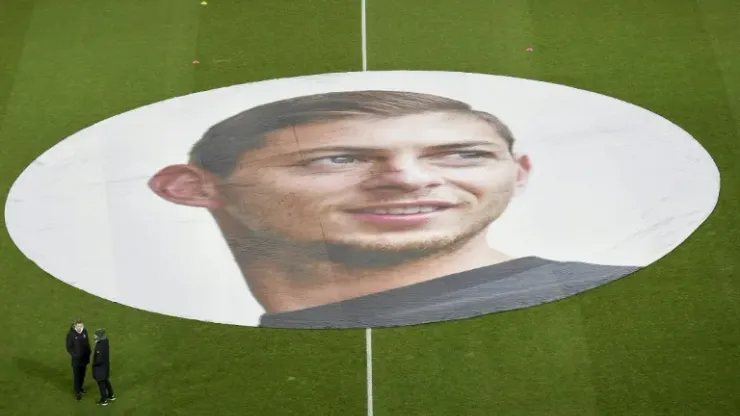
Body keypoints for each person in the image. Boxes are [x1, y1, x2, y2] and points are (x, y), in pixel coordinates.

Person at [148, 90, 639, 328]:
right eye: (338, 159)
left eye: (463, 155)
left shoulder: (611, 306)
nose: (410, 179)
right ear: (190, 188)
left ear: (519, 173)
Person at [65, 319, 91, 400]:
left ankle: (80, 388)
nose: (80, 327)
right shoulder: (71, 334)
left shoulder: (84, 332)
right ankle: (77, 392)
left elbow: (87, 343)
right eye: (78, 326)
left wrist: (89, 352)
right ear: (75, 326)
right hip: (76, 360)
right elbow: (69, 347)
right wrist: (75, 355)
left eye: (81, 326)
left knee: (82, 375)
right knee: (77, 376)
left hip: (84, 359)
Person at [91, 328, 115, 406]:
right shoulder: (105, 341)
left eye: (96, 334)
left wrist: (94, 364)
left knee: (101, 383)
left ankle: (104, 400)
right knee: (106, 380)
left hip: (100, 368)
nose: (94, 335)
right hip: (105, 366)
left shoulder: (99, 345)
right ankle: (111, 395)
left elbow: (99, 359)